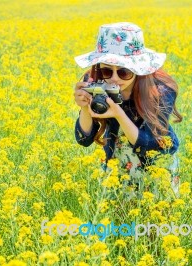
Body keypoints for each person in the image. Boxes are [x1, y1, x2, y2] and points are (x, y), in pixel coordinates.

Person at [73, 22, 183, 200]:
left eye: (124, 72)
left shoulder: (160, 90)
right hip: (118, 163)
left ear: (138, 68)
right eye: (107, 70)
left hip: (156, 164)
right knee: (120, 223)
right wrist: (85, 107)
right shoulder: (96, 81)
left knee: (157, 223)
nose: (115, 78)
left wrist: (118, 114)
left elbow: (150, 146)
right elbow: (83, 139)